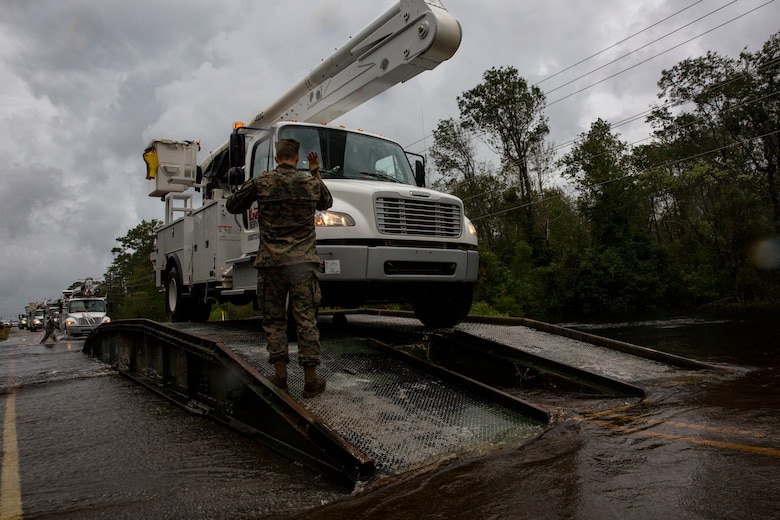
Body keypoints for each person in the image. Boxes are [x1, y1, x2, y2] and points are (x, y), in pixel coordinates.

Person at [226, 138, 333, 398]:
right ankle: (310, 381)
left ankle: (281, 376)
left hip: (271, 264)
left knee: (274, 321)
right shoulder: (309, 183)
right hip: (302, 264)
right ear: (297, 159)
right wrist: (316, 172)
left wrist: (254, 187)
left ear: (276, 158)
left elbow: (232, 205)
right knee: (306, 320)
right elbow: (326, 203)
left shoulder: (262, 182)